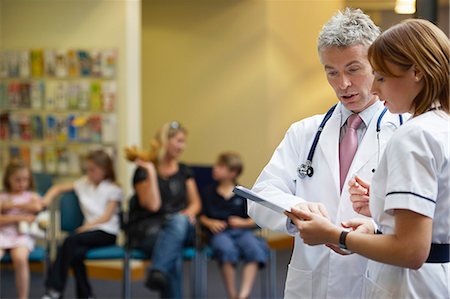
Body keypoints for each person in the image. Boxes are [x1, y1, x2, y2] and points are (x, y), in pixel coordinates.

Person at [248, 8, 405, 299]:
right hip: (312, 282)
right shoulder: (304, 132)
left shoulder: (407, 130)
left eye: (353, 69)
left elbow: (429, 218)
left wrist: (377, 219)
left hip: (378, 278)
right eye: (331, 72)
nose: (342, 84)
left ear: (377, 64)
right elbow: (259, 198)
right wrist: (296, 210)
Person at [287, 19, 450, 298]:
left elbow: (411, 251)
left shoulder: (413, 135)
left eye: (382, 77)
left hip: (411, 285)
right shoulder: (441, 125)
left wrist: (333, 235)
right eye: (332, 73)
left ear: (418, 73)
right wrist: (380, 220)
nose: (375, 89)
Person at [125, 121, 201, 299]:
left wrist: (189, 213)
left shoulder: (185, 171)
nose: (183, 146)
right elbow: (153, 205)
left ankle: (157, 269)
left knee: (178, 222)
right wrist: (152, 172)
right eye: (179, 141)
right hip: (149, 229)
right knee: (171, 252)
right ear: (165, 141)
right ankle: (159, 270)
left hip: (181, 226)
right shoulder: (143, 171)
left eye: (184, 142)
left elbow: (196, 203)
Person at [42, 149, 123, 299]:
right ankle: (86, 295)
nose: (89, 173)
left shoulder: (114, 189)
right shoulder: (84, 183)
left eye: (93, 170)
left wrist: (86, 227)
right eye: (88, 169)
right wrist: (45, 200)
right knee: (76, 254)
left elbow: (106, 217)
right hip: (88, 232)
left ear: (105, 170)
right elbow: (58, 188)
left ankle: (54, 290)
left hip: (106, 232)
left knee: (68, 241)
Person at [200, 152, 268, 299]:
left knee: (255, 249)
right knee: (225, 249)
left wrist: (243, 223)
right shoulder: (208, 192)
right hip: (220, 234)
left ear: (233, 172)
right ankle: (232, 295)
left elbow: (256, 219)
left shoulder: (244, 193)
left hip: (242, 232)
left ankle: (243, 295)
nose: (215, 168)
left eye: (221, 166)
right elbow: (201, 216)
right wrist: (210, 222)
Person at [0, 160, 43, 299]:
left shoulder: (32, 196)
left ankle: (22, 297)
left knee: (20, 258)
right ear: (8, 179)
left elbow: (37, 207)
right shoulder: (3, 197)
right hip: (3, 233)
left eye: (25, 180)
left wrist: (11, 207)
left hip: (22, 236)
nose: (22, 183)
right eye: (17, 180)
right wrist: (20, 217)